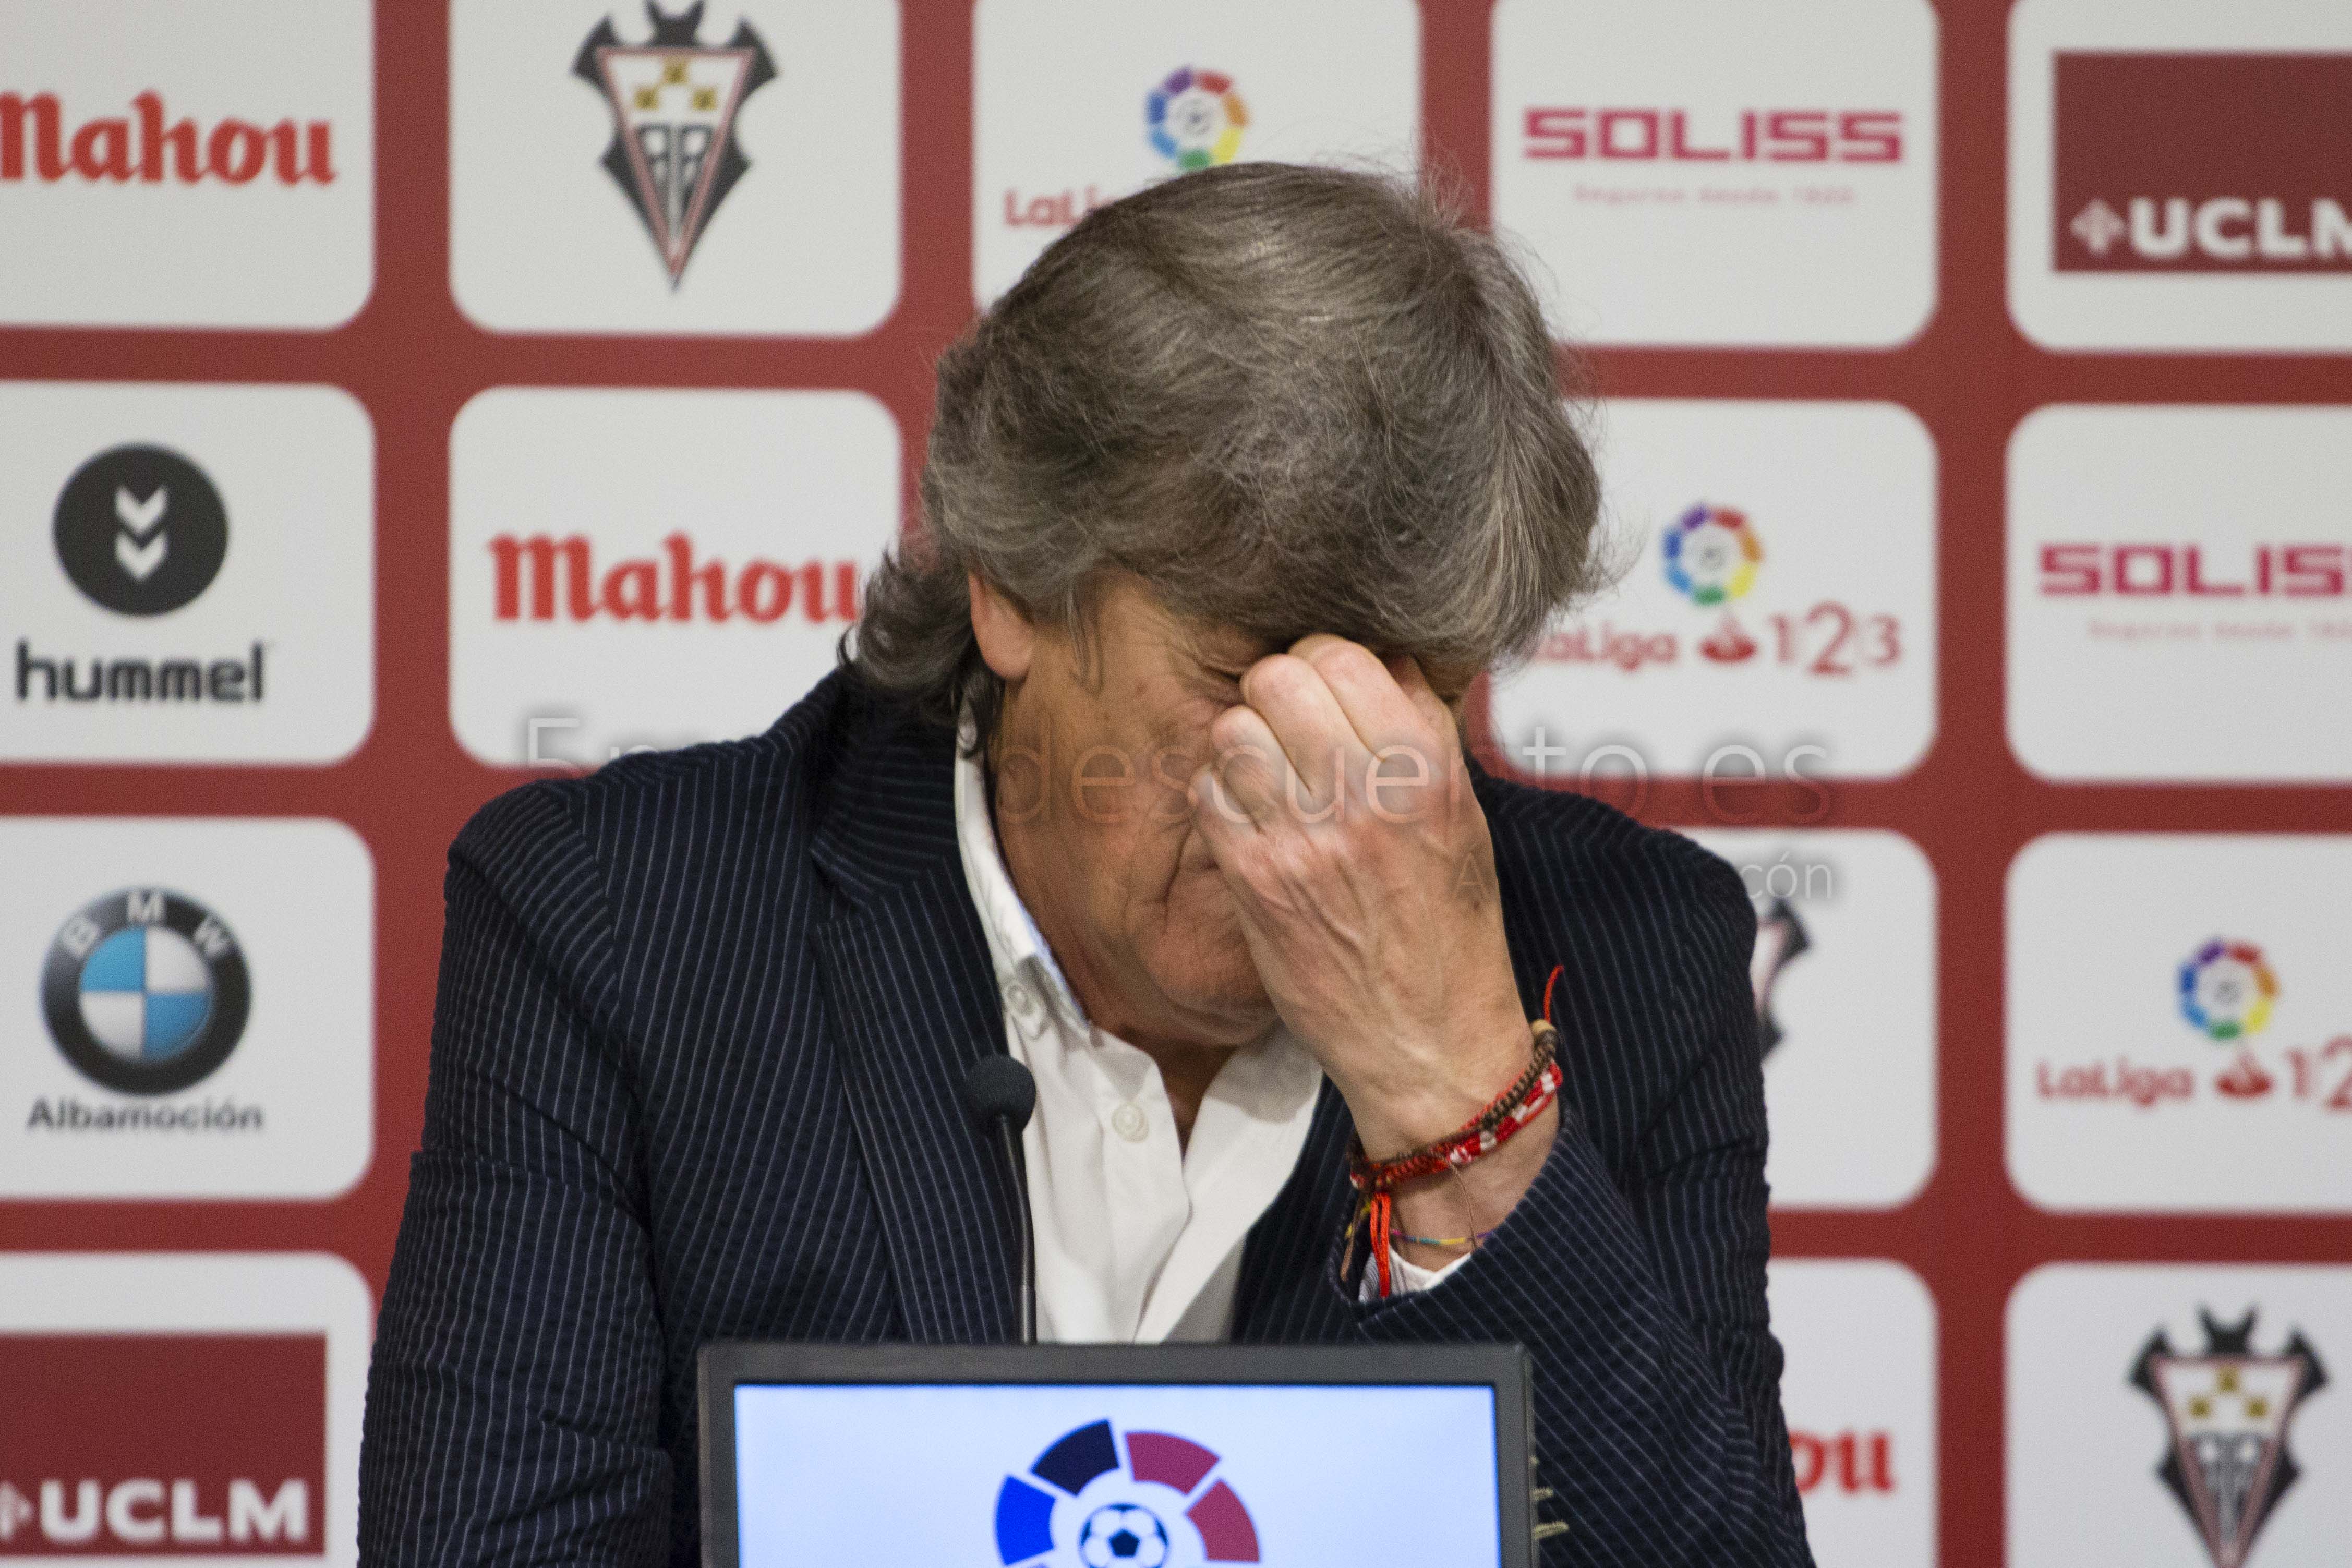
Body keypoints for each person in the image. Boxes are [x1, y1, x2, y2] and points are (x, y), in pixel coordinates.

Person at [360, 163, 1813, 1566]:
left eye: (1410, 683)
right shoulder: (617, 921)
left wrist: (1459, 1109)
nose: (1335, 779)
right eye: (1244, 675)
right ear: (1014, 584)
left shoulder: (1631, 950)